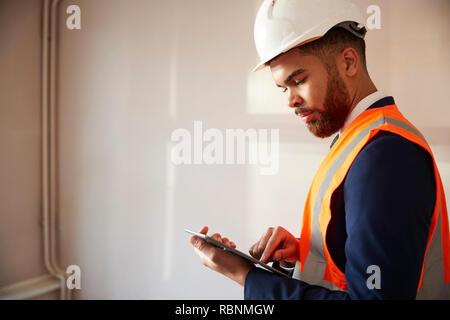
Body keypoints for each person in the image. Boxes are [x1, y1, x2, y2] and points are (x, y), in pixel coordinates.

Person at [189, 0, 450, 299]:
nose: (290, 101)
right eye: (284, 88)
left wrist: (244, 276)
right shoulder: (359, 139)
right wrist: (304, 252)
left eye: (298, 80)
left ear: (349, 62)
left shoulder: (385, 155)